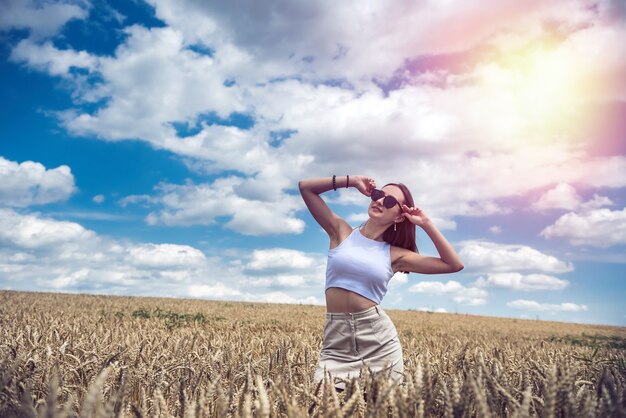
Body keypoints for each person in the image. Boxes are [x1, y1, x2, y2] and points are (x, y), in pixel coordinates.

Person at [298, 175, 464, 390]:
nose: (379, 201)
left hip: (377, 341)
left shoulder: (396, 255)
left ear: (398, 217)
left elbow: (453, 264)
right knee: (320, 405)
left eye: (389, 201)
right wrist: (351, 181)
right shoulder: (341, 232)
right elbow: (306, 188)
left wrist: (426, 224)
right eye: (378, 195)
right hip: (336, 339)